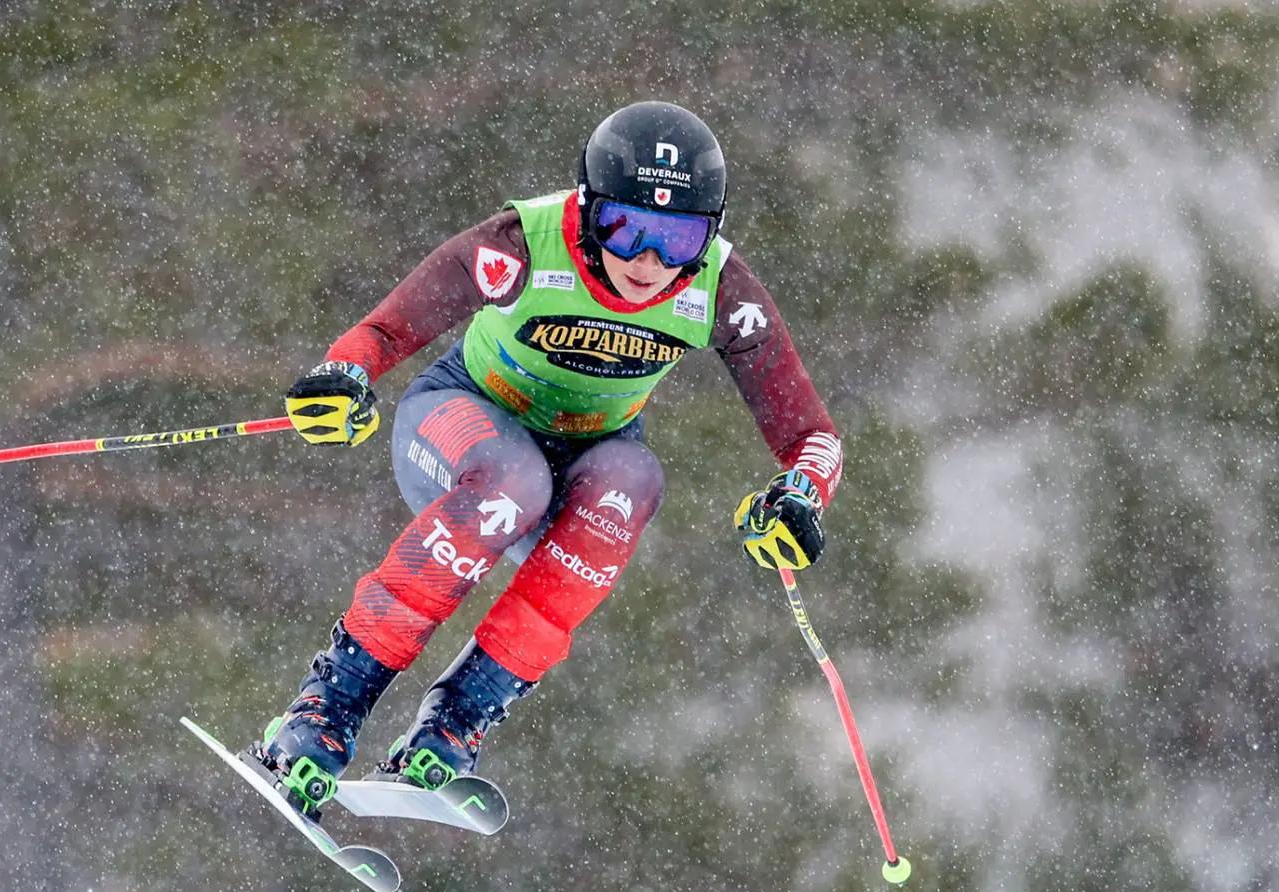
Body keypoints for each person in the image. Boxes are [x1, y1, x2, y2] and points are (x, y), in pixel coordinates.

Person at [261, 101, 845, 806]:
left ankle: (457, 722)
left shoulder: (721, 288)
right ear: (588, 209)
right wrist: (343, 375)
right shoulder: (527, 241)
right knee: (514, 482)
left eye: (678, 238)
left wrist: (801, 496)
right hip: (463, 418)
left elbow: (812, 437)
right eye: (625, 228)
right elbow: (386, 330)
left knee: (633, 482)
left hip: (588, 453)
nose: (649, 262)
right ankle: (326, 708)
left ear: (710, 233)